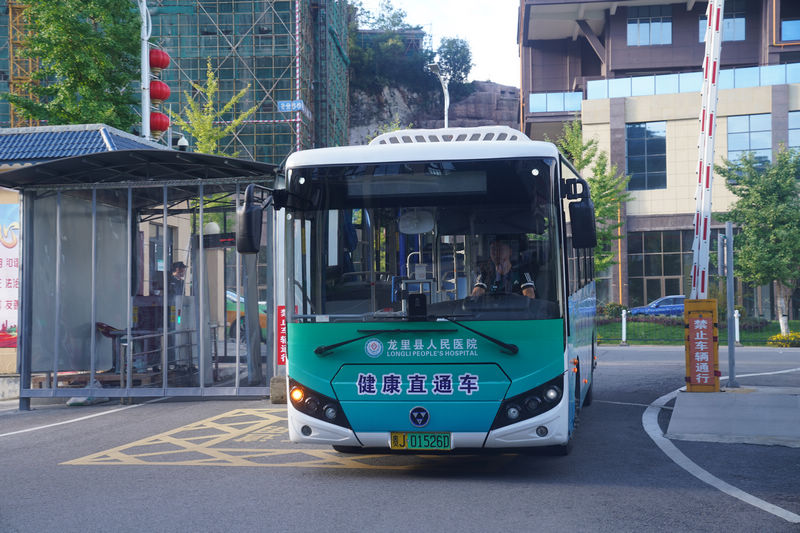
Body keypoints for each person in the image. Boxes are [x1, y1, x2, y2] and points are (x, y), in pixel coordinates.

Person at [471, 239, 536, 299]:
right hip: (491, 310)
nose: (496, 253)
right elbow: (475, 297)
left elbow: (529, 297)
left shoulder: (522, 272)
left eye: (500, 249)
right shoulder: (485, 274)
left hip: (516, 310)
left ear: (510, 251)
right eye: (493, 249)